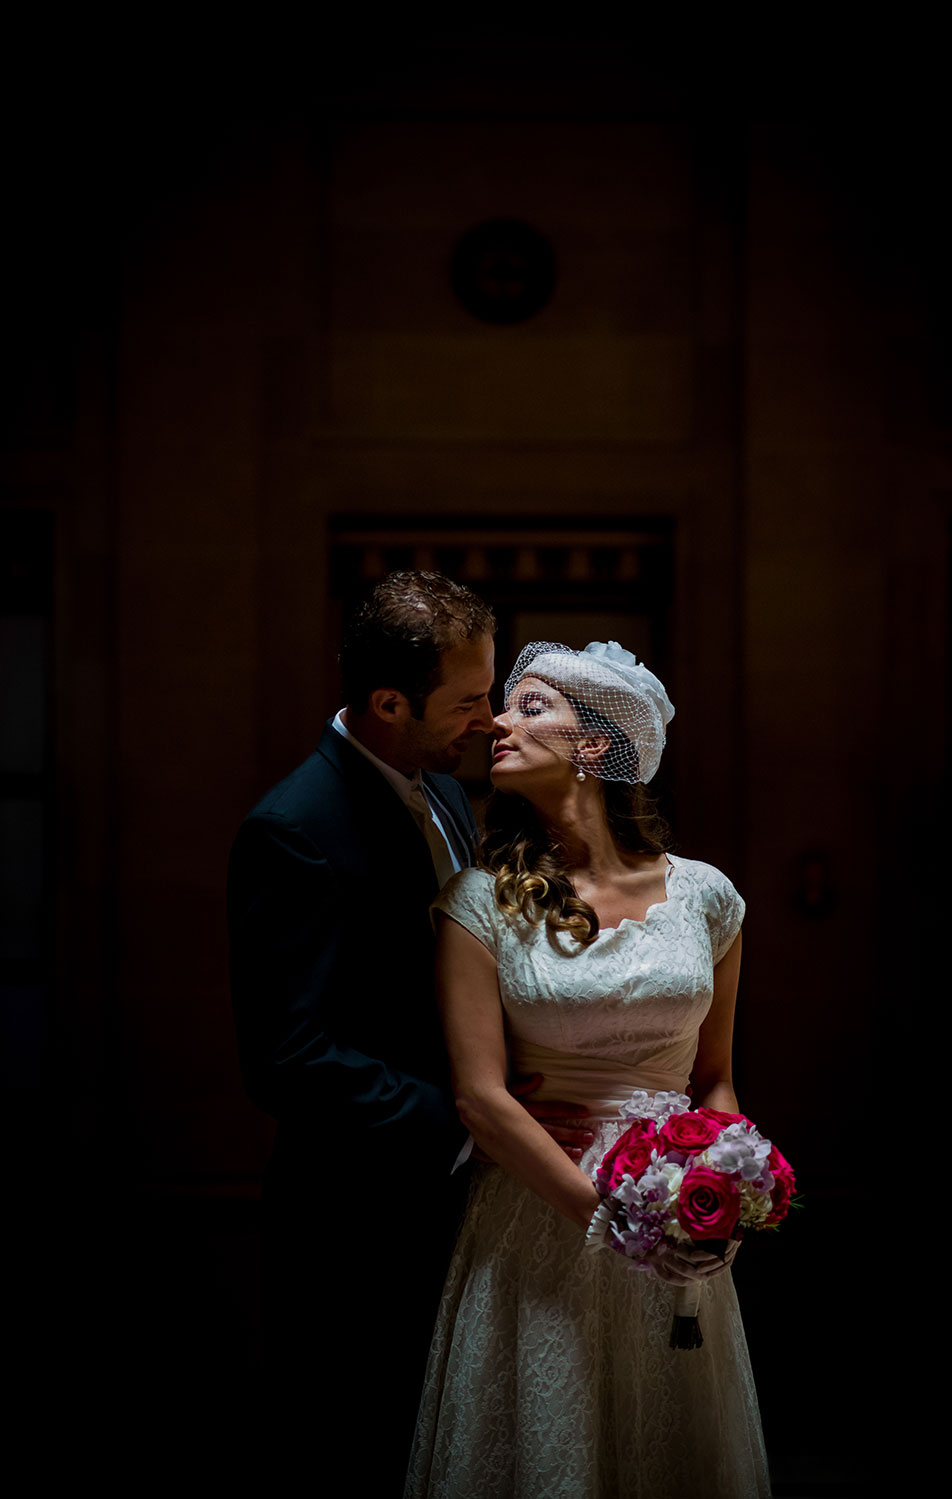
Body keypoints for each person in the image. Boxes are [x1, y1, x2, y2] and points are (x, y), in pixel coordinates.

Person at [227, 574, 591, 1494]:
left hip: (456, 1212)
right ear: (389, 702)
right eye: (468, 698)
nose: (487, 717)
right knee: (360, 1452)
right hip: (353, 1226)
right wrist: (470, 1119)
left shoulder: (438, 794)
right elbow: (287, 1057)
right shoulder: (293, 828)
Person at [406, 640, 770, 1499]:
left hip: (678, 1219)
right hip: (539, 1215)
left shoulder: (707, 897)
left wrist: (731, 1187)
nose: (497, 720)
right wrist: (612, 1220)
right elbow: (481, 1098)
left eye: (531, 707)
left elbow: (713, 1078)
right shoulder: (479, 900)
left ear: (597, 746)